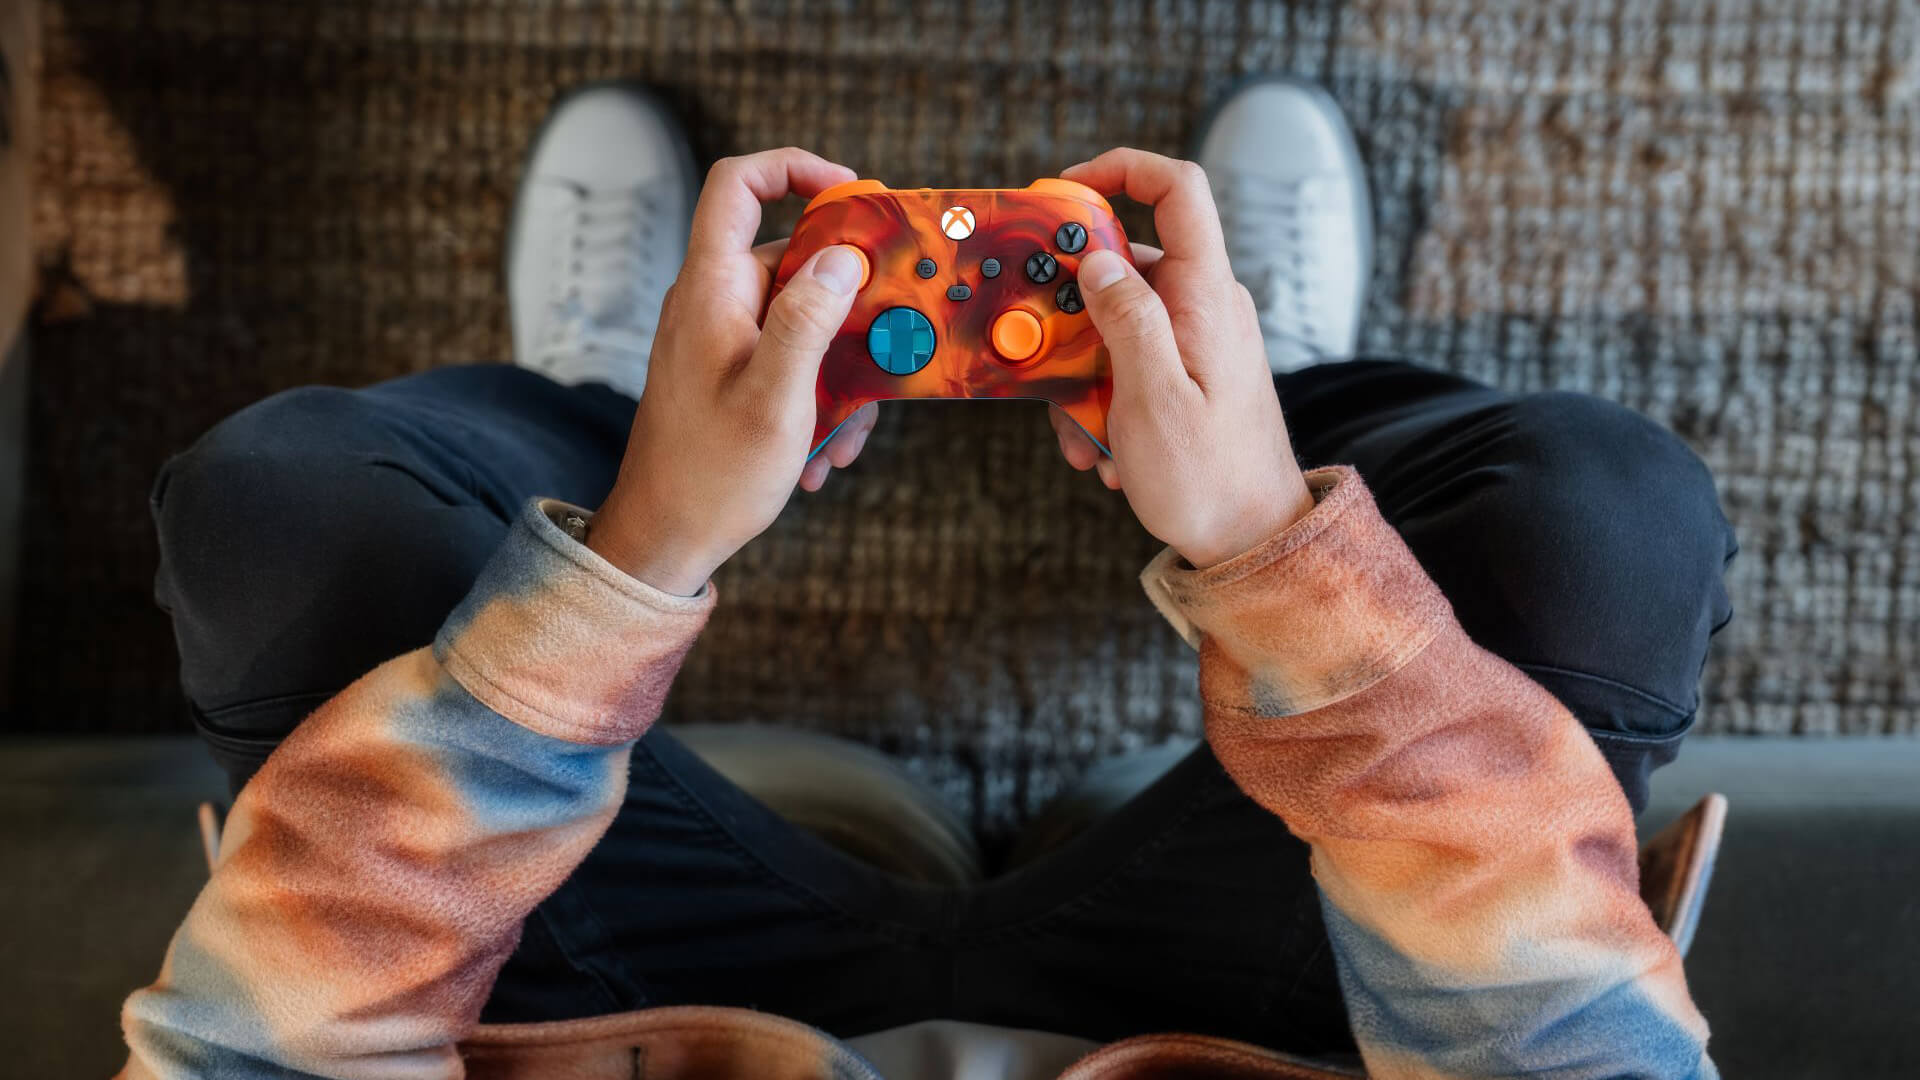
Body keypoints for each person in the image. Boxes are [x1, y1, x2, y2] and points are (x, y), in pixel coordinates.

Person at [125, 79, 1734, 1079]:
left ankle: (620, 416)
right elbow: (1548, 1038)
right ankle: (1258, 399)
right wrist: (1264, 546)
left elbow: (273, 1041)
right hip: (1293, 1015)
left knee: (277, 509)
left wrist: (646, 547)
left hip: (604, 1013)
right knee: (1607, 520)